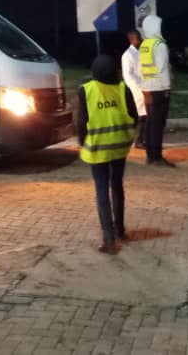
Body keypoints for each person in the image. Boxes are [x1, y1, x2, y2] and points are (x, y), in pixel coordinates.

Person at [76, 55, 138, 254]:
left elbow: (81, 122)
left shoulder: (86, 90)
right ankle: (120, 229)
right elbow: (134, 117)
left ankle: (108, 238)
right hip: (119, 146)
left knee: (101, 190)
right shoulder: (122, 88)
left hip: (97, 148)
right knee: (117, 185)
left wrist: (82, 141)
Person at [138, 15, 176, 167]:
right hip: (160, 88)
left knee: (150, 122)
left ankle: (150, 155)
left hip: (147, 88)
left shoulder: (144, 44)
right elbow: (161, 67)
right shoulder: (160, 45)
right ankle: (157, 157)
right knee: (158, 123)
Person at [121, 31, 148, 149]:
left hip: (145, 86)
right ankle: (140, 141)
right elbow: (128, 75)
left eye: (140, 37)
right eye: (138, 38)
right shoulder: (128, 55)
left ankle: (143, 139)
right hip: (137, 88)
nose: (140, 40)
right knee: (143, 114)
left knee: (145, 114)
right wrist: (138, 88)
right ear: (131, 40)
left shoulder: (139, 52)